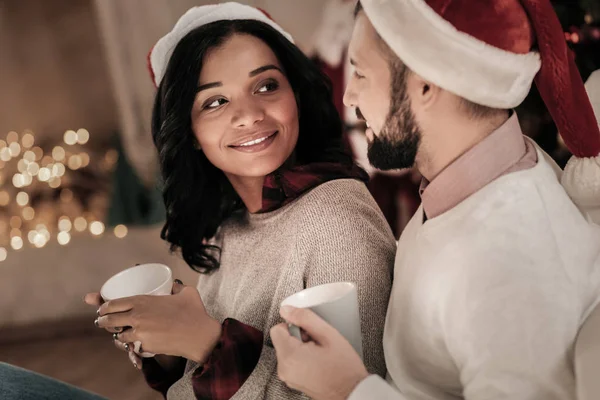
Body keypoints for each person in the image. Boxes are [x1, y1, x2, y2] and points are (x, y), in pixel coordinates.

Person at [0, 3, 395, 400]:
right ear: (188, 132)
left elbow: (354, 392)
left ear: (297, 94)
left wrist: (208, 343)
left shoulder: (336, 218)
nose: (247, 115)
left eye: (266, 85)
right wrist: (171, 347)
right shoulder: (232, 225)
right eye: (215, 102)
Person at [270, 0, 600, 399]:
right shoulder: (484, 170)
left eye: (359, 71)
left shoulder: (509, 267)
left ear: (426, 84)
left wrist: (349, 389)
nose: (348, 96)